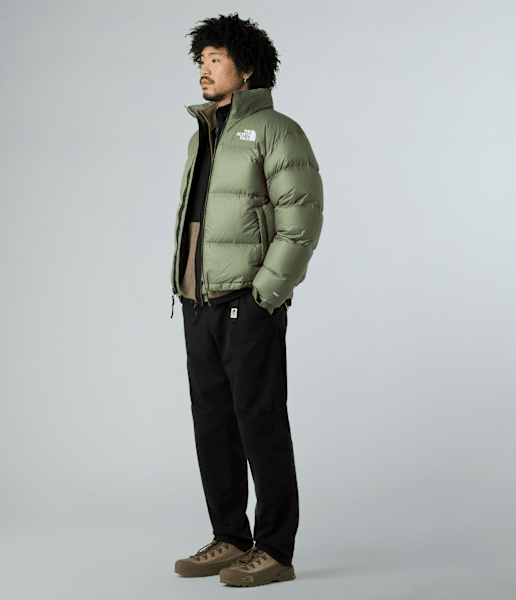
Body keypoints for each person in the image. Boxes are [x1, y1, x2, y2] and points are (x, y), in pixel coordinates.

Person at [170, 13, 323, 587]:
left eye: (215, 59)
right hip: (198, 302)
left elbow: (301, 218)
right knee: (212, 424)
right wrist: (185, 286)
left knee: (259, 422)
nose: (204, 69)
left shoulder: (277, 131)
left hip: (247, 303)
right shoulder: (202, 134)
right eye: (201, 59)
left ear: (247, 68)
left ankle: (275, 549)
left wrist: (267, 294)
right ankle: (230, 537)